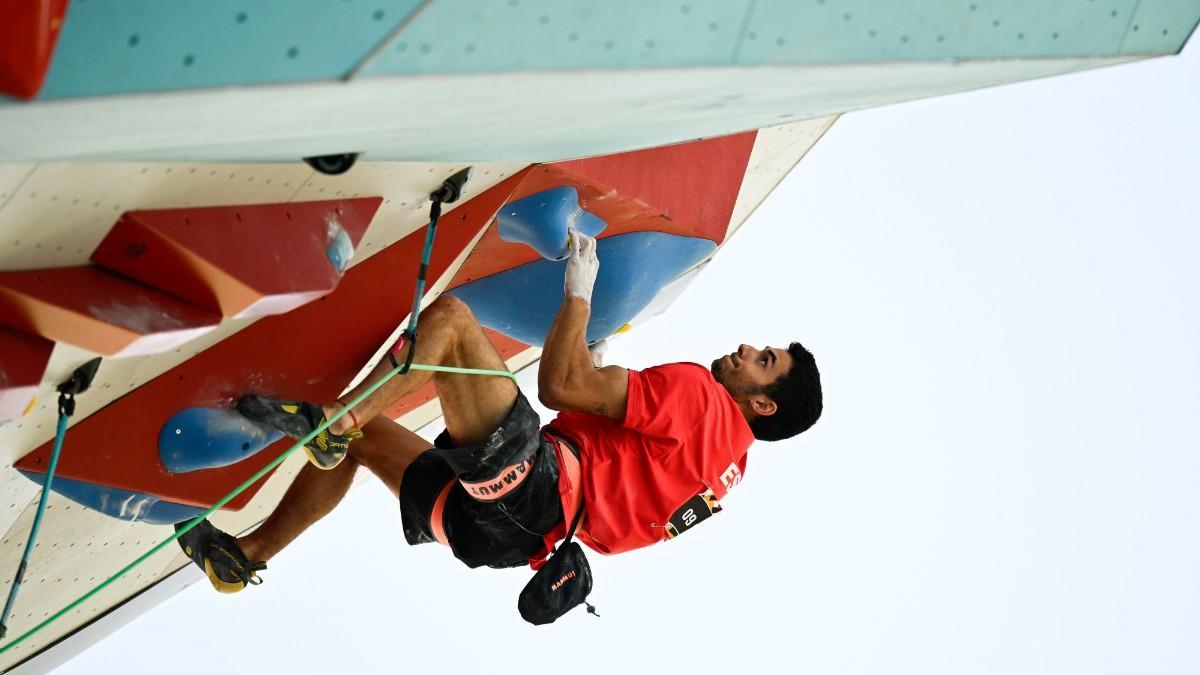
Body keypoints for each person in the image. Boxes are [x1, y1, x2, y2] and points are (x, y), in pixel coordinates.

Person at [176, 231, 823, 594]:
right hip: (501, 540)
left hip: (530, 488)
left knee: (453, 323)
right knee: (368, 440)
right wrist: (593, 394)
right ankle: (246, 555)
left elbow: (561, 386)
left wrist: (578, 294)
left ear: (762, 404)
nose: (746, 349)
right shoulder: (719, 478)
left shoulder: (704, 399)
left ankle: (334, 423)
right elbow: (617, 505)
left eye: (763, 360)